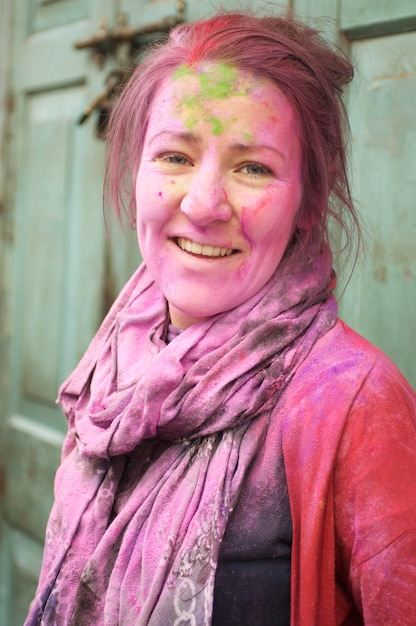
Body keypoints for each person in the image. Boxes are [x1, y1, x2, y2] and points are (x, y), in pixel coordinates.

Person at [25, 10, 416, 626]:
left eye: (253, 167)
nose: (204, 204)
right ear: (135, 173)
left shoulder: (356, 404)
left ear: (309, 201)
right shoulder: (114, 368)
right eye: (175, 156)